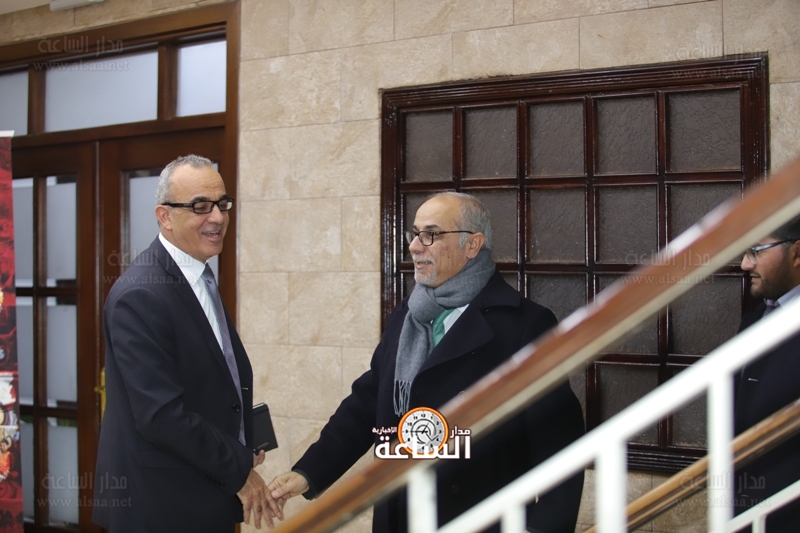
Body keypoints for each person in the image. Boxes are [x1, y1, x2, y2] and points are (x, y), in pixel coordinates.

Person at [268, 192, 585, 532]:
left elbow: (558, 443)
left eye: (431, 234)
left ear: (472, 245)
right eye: (415, 233)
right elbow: (368, 403)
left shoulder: (524, 325)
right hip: (399, 516)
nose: (415, 246)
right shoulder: (407, 316)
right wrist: (309, 473)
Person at [93, 155, 280, 532]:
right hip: (161, 507)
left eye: (222, 203)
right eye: (200, 206)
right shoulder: (141, 294)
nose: (218, 217)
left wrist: (243, 443)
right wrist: (237, 467)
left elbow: (210, 382)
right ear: (165, 216)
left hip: (202, 496)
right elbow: (161, 416)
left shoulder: (198, 277)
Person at [735, 214, 800, 531]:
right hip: (746, 507)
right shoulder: (752, 321)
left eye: (756, 251)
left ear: (797, 252)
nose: (745, 264)